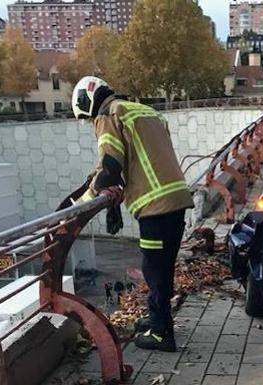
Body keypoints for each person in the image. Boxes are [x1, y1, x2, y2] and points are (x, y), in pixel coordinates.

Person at [71, 76, 194, 351]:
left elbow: (110, 164)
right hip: (176, 197)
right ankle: (155, 319)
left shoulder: (108, 115)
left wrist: (84, 203)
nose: (89, 124)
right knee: (163, 267)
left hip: (154, 206)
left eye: (85, 119)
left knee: (155, 271)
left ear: (86, 102)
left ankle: (162, 334)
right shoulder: (143, 111)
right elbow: (140, 159)